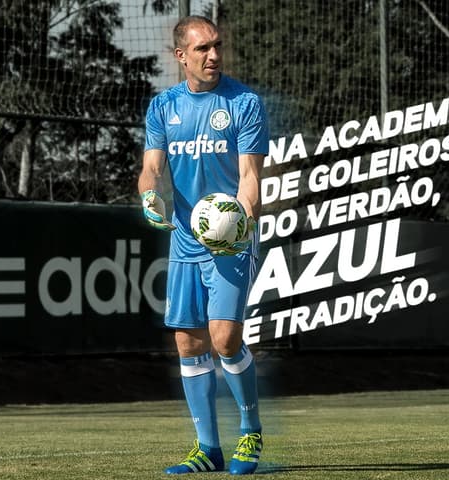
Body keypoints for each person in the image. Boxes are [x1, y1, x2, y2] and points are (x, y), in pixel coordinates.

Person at [137, 15, 269, 476]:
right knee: (188, 342)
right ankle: (208, 449)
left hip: (233, 237)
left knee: (223, 336)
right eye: (202, 49)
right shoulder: (162, 107)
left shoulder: (244, 103)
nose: (213, 55)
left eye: (217, 46)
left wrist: (242, 221)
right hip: (187, 243)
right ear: (181, 56)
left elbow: (251, 176)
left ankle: (250, 429)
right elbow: (152, 168)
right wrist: (150, 195)